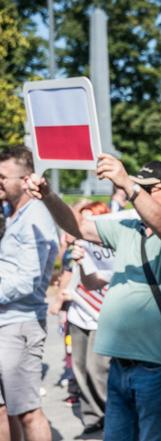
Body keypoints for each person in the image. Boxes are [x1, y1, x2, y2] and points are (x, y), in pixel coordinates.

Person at [27, 156, 161, 441]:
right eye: (138, 186)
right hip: (119, 364)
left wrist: (129, 185)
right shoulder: (128, 227)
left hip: (155, 366)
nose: (139, 192)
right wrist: (48, 196)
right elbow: (79, 227)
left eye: (149, 188)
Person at [0, 146, 58, 441]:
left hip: (20, 323)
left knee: (27, 411)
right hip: (4, 321)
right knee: (2, 409)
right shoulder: (9, 212)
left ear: (25, 180)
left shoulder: (36, 215)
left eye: (2, 177)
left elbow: (28, 279)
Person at [64, 202, 114, 435]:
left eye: (88, 221)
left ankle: (112, 413)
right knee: (80, 368)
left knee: (98, 369)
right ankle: (92, 416)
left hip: (99, 315)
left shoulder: (109, 249)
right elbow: (70, 278)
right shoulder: (78, 248)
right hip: (78, 314)